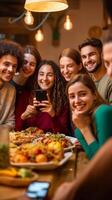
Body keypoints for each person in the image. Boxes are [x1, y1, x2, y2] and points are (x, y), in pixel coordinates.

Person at [15, 60, 70, 134]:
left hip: (51, 143)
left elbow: (63, 134)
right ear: (37, 76)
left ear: (55, 78)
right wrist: (24, 116)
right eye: (41, 74)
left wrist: (53, 114)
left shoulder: (62, 100)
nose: (44, 78)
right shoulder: (25, 96)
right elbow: (15, 131)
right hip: (28, 143)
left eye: (49, 75)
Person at [66, 74, 112, 159]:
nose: (77, 101)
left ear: (94, 94)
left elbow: (102, 161)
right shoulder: (81, 121)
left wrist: (84, 129)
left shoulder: (102, 112)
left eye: (82, 94)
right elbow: (92, 156)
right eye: (72, 96)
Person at [79, 37, 112, 104]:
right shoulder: (86, 81)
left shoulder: (110, 80)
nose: (88, 60)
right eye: (84, 57)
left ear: (102, 55)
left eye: (91, 54)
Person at [0, 39, 23, 130]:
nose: (10, 69)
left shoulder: (11, 90)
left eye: (14, 66)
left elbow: (11, 122)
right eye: (6, 64)